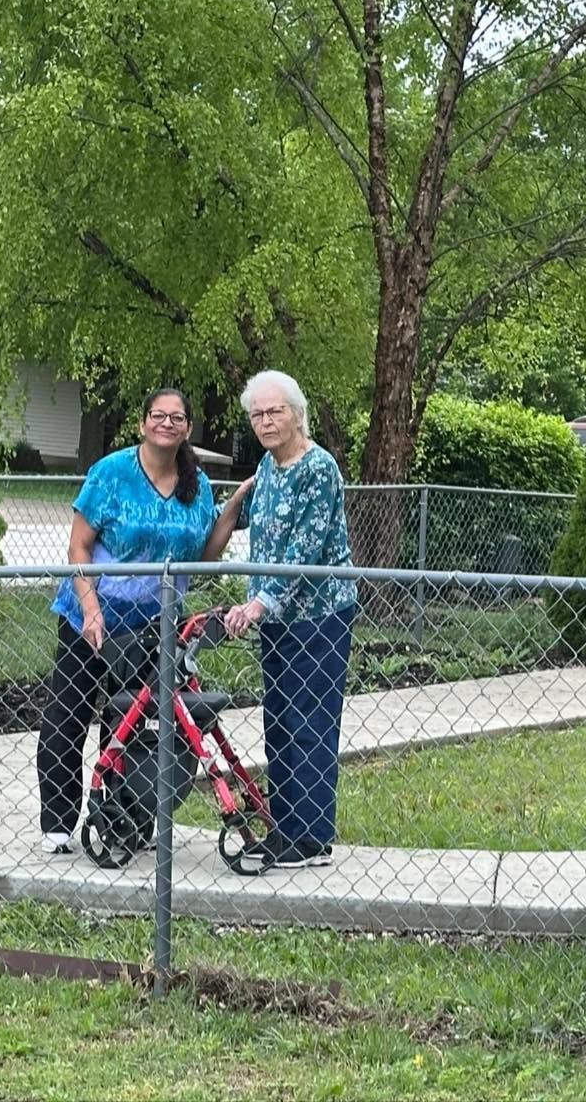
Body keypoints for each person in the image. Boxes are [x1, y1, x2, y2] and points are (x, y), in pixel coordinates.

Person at [36, 388, 235, 854]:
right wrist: (90, 607)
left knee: (129, 721)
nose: (167, 423)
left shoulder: (196, 484)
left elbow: (203, 558)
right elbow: (79, 546)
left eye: (177, 417)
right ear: (143, 423)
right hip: (94, 615)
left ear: (187, 428)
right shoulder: (111, 473)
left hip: (157, 625)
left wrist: (229, 514)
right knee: (70, 713)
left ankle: (121, 818)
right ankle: (59, 824)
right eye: (158, 416)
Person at [211, 370, 357, 869]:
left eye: (275, 411)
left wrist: (258, 603)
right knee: (279, 721)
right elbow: (251, 524)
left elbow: (305, 550)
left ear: (298, 414)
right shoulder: (267, 469)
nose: (266, 421)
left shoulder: (319, 469)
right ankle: (285, 827)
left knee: (310, 721)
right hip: (275, 619)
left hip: (318, 615)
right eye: (257, 414)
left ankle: (312, 838)